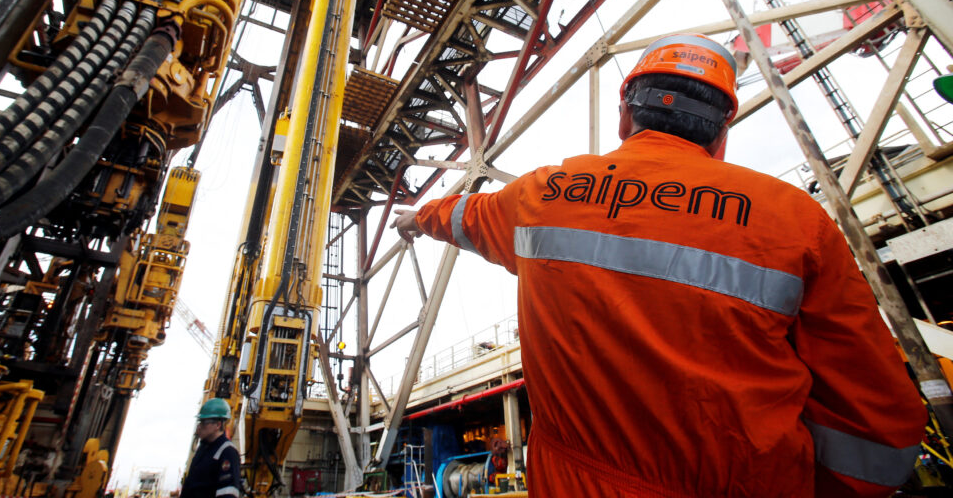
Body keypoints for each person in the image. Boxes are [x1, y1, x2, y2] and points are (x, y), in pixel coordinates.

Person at [392, 33, 926, 497]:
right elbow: (878, 423)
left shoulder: (544, 195)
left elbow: (466, 216)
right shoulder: (795, 220)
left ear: (625, 114)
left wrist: (418, 218)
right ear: (721, 132)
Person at [180, 398, 242, 498]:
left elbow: (227, 493)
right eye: (199, 422)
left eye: (204, 422)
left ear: (218, 424)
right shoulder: (202, 450)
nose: (199, 427)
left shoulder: (227, 452)